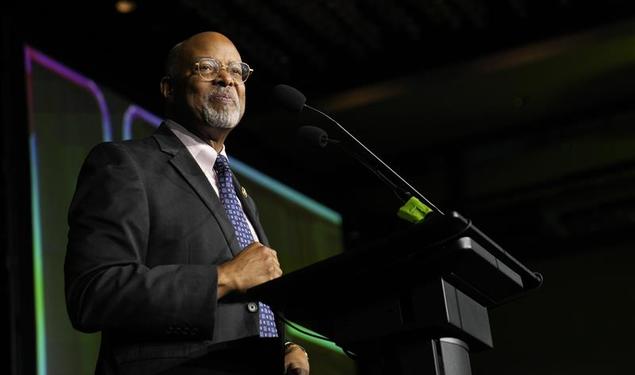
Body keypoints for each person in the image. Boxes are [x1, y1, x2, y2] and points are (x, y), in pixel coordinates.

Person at [65, 31, 310, 375]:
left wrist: (282, 347)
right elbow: (93, 294)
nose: (227, 78)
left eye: (237, 71)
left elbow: (245, 305)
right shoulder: (124, 164)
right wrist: (222, 278)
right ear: (169, 88)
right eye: (207, 67)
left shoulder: (238, 193)